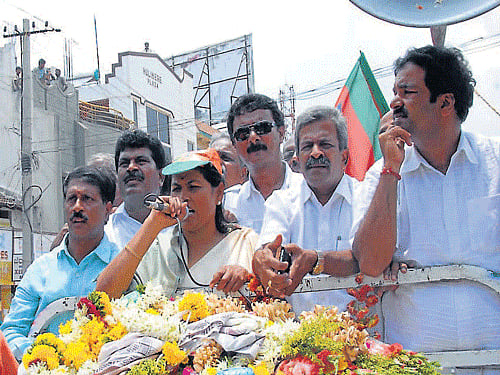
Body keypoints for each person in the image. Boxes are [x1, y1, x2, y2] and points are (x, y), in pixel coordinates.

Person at [352, 45, 500, 369]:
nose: (394, 102)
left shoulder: (496, 163)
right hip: (416, 366)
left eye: (408, 92)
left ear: (446, 103)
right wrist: (391, 169)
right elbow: (371, 264)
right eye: (395, 91)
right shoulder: (382, 176)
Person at [96, 149, 258, 299]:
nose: (183, 197)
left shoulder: (245, 242)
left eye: (193, 187)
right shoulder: (161, 247)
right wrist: (151, 225)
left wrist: (248, 277)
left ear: (219, 193)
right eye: (176, 188)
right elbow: (104, 294)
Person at [1, 166, 119, 360]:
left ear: (107, 209)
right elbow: (11, 332)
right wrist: (48, 358)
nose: (77, 207)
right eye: (72, 199)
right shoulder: (40, 270)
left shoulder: (123, 265)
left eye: (87, 199)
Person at [252, 106, 359, 314]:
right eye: (308, 146)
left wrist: (316, 260)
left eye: (325, 144)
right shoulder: (281, 202)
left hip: (363, 335)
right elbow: (269, 248)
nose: (316, 152)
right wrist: (263, 259)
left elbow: (367, 259)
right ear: (298, 160)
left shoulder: (365, 196)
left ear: (344, 157)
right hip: (298, 338)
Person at [225, 93, 303, 233]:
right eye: (243, 133)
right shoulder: (229, 203)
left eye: (262, 128)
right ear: (234, 144)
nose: (253, 138)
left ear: (281, 133)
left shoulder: (309, 191)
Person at [105, 129, 167, 251]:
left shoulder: (180, 227)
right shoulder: (105, 233)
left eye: (141, 161)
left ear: (160, 177)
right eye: (124, 163)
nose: (131, 167)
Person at [209, 132, 247, 209]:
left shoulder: (251, 204)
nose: (216, 162)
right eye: (212, 157)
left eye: (225, 158)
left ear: (243, 173)